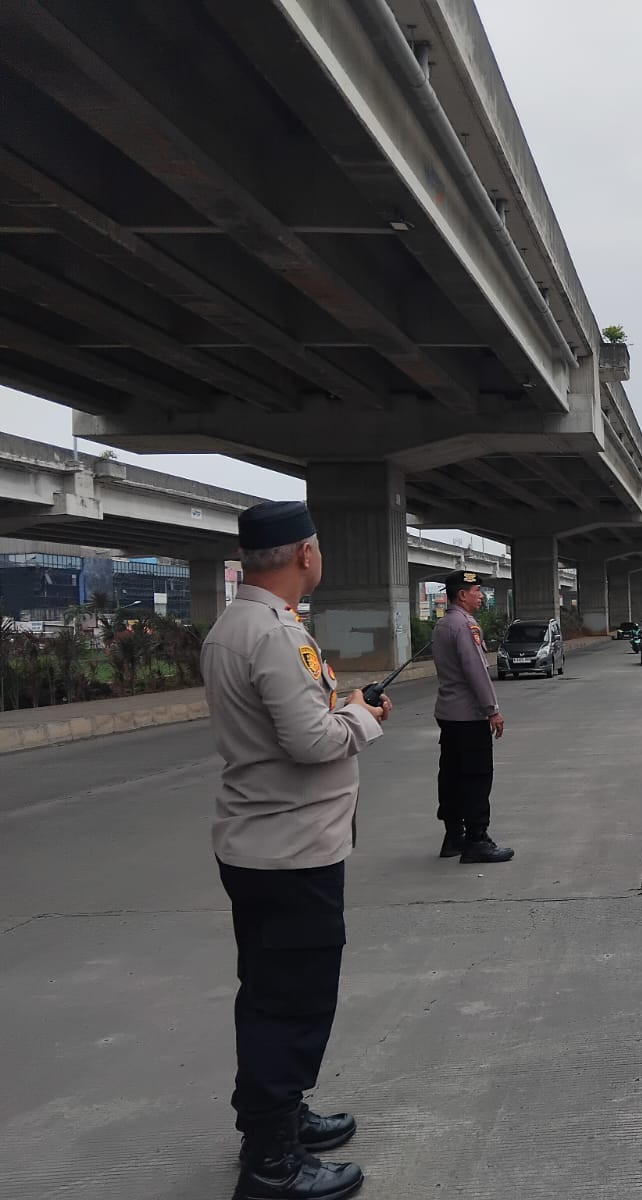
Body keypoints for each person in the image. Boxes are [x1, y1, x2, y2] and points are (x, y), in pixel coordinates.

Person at [203, 500, 389, 1200]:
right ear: (304, 554)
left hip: (260, 843)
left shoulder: (237, 626)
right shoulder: (275, 635)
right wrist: (363, 718)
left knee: (271, 992)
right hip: (292, 850)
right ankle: (272, 1164)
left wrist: (343, 713)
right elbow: (312, 742)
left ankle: (276, 1119)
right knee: (292, 1003)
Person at [433, 570, 513, 865]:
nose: (481, 596)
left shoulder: (443, 623)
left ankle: (454, 835)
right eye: (477, 590)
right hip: (469, 716)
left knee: (451, 775)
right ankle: (477, 840)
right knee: (477, 777)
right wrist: (492, 709)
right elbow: (476, 671)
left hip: (448, 714)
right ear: (462, 595)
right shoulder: (466, 626)